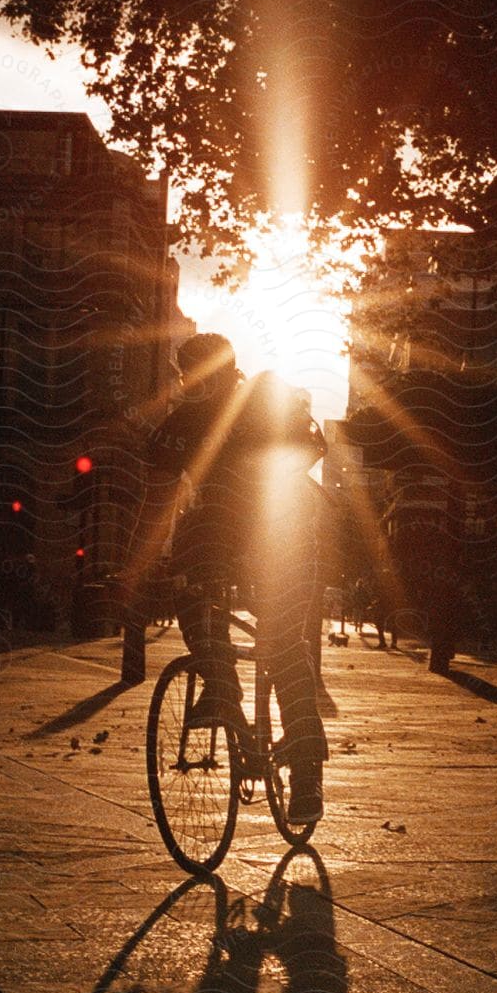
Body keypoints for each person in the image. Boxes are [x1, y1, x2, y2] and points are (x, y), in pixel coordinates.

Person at [132, 333, 329, 823]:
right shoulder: (180, 426)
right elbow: (156, 501)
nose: (191, 385)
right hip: (219, 541)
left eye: (200, 375)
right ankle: (220, 683)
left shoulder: (264, 409)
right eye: (184, 375)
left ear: (227, 372)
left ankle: (306, 776)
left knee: (282, 647)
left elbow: (303, 456)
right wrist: (134, 567)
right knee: (189, 575)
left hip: (280, 536)